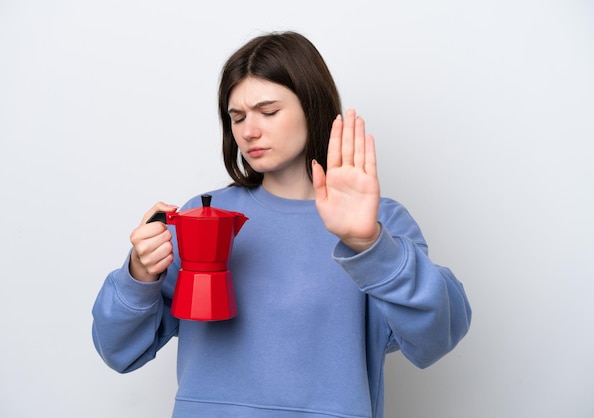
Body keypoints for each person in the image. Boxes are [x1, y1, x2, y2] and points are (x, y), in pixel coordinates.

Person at [92, 31, 472, 418]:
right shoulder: (202, 218)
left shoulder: (379, 222)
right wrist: (139, 276)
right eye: (236, 117)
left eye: (268, 112)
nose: (248, 131)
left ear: (312, 106)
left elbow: (438, 337)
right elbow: (118, 351)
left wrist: (371, 245)